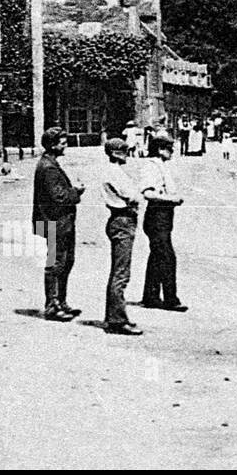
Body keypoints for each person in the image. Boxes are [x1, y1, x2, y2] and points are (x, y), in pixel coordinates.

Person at [32, 127, 85, 321]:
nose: (66, 145)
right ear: (53, 145)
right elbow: (59, 197)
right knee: (55, 264)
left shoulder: (50, 164)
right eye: (62, 142)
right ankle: (52, 306)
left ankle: (61, 301)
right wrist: (76, 191)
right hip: (54, 223)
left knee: (66, 262)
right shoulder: (48, 168)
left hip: (60, 223)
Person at [139, 130, 188, 312]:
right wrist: (171, 199)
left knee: (157, 256)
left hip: (164, 216)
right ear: (159, 149)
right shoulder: (151, 166)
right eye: (169, 148)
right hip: (156, 216)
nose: (172, 151)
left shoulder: (161, 165)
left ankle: (150, 296)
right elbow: (148, 193)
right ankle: (170, 299)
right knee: (167, 257)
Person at [100, 137, 144, 336]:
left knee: (120, 272)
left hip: (121, 219)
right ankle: (117, 320)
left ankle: (114, 317)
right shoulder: (114, 172)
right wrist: (136, 198)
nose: (127, 154)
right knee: (121, 274)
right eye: (124, 151)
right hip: (122, 220)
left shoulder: (114, 171)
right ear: (116, 153)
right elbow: (132, 195)